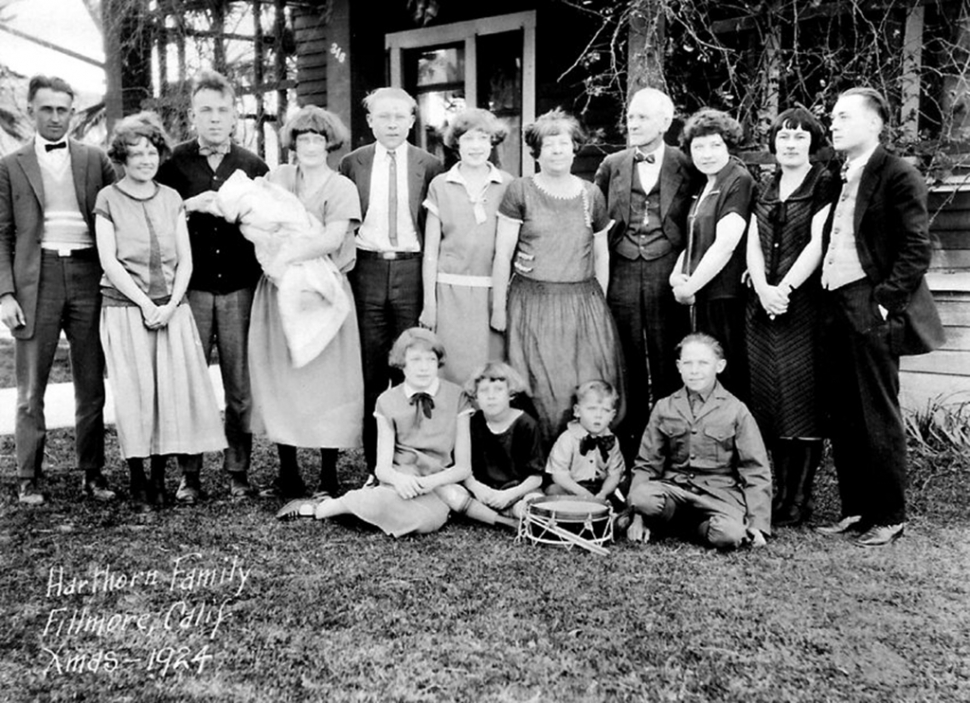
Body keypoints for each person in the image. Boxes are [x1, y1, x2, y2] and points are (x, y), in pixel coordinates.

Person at [816, 87, 944, 547]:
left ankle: (889, 515)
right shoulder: (838, 174)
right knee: (845, 413)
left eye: (844, 117)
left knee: (878, 412)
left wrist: (885, 301)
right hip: (834, 305)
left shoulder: (898, 174)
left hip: (872, 307)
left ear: (874, 124)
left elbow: (916, 248)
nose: (834, 124)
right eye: (832, 117)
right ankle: (856, 510)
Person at [95, 112, 227, 511]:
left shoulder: (170, 198)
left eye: (151, 152)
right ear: (122, 157)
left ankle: (159, 477)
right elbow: (109, 261)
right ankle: (138, 479)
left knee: (167, 392)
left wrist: (169, 306)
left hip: (172, 311)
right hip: (126, 310)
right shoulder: (108, 199)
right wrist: (145, 304)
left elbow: (186, 260)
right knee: (136, 394)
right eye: (135, 154)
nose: (144, 160)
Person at [0, 75, 117, 505]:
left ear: (72, 112)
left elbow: (115, 214)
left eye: (62, 109)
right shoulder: (10, 165)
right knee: (31, 387)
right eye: (46, 108)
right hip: (38, 278)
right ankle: (29, 475)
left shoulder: (95, 159)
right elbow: (2, 233)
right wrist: (5, 293)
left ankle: (93, 472)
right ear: (31, 110)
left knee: (92, 383)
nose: (54, 117)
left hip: (89, 274)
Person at [278, 328, 517, 533]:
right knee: (389, 499)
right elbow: (383, 468)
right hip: (400, 483)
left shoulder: (457, 397)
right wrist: (399, 480)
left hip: (438, 483)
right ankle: (325, 508)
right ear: (402, 363)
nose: (424, 368)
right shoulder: (387, 401)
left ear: (439, 362)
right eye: (416, 360)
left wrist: (432, 482)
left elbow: (463, 467)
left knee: (426, 520)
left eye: (430, 360)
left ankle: (357, 509)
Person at [155, 69, 268, 502]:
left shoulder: (254, 166)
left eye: (223, 111)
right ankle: (191, 473)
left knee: (240, 386)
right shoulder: (174, 163)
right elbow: (158, 219)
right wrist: (188, 206)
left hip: (240, 289)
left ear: (235, 116)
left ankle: (238, 471)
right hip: (193, 290)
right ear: (192, 116)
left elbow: (269, 225)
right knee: (192, 383)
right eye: (206, 111)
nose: (215, 119)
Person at [247, 106, 364, 499]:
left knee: (327, 381)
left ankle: (329, 472)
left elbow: (332, 239)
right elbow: (254, 217)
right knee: (284, 378)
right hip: (279, 290)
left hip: (323, 291)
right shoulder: (278, 177)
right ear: (293, 143)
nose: (311, 145)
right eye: (303, 138)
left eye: (318, 138)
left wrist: (287, 253)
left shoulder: (341, 187)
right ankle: (288, 469)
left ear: (330, 143)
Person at [492, 108, 625, 446]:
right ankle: (543, 467)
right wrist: (497, 307)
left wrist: (600, 304)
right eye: (549, 145)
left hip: (583, 304)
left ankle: (587, 463)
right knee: (538, 387)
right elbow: (503, 254)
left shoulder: (590, 194)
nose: (557, 151)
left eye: (564, 143)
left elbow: (601, 254)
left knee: (585, 381)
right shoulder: (520, 191)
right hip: (532, 303)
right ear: (536, 152)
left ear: (575, 147)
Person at [339, 87, 444, 473]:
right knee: (370, 372)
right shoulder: (353, 163)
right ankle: (375, 466)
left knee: (413, 366)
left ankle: (414, 460)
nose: (393, 124)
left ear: (413, 121)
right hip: (366, 270)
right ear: (370, 121)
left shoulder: (430, 165)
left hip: (411, 270)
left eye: (401, 117)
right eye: (384, 116)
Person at [593, 87, 694, 460]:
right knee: (627, 357)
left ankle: (669, 441)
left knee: (669, 354)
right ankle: (629, 443)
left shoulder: (686, 163)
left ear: (665, 123)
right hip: (621, 266)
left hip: (667, 267)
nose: (633, 124)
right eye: (631, 117)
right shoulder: (612, 165)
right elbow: (596, 223)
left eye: (643, 117)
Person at [746, 107, 835, 527]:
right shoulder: (764, 185)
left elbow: (819, 242)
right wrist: (763, 287)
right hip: (761, 305)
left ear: (813, 144)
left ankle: (801, 497)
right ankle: (779, 493)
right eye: (784, 137)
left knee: (802, 399)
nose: (791, 144)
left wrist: (784, 289)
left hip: (802, 305)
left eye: (800, 137)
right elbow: (752, 239)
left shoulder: (824, 183)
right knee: (770, 399)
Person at [627, 333, 772, 550]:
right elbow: (647, 464)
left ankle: (693, 527)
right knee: (641, 497)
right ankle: (672, 519)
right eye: (688, 363)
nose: (694, 371)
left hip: (717, 495)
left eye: (703, 363)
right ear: (679, 366)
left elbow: (755, 470)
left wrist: (757, 524)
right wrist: (638, 518)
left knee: (729, 536)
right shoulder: (664, 407)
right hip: (674, 490)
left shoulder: (736, 410)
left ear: (720, 366)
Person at [419, 109, 512, 384]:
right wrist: (429, 304)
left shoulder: (507, 184)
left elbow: (507, 251)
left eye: (483, 138)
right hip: (449, 294)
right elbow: (431, 252)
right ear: (456, 143)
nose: (476, 146)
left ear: (492, 143)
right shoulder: (440, 185)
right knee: (451, 373)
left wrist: (500, 306)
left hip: (490, 294)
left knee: (489, 372)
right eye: (468, 139)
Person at [670, 109, 754, 397]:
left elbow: (726, 243)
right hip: (699, 296)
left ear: (728, 145)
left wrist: (690, 287)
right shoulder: (703, 184)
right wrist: (676, 278)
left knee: (726, 374)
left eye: (715, 145)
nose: (707, 154)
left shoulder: (738, 180)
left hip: (724, 296)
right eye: (699, 147)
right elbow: (692, 241)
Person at [463, 361, 544, 519]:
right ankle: (500, 512)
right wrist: (477, 488)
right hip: (483, 492)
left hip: (518, 491)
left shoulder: (527, 424)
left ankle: (513, 510)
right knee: (453, 492)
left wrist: (508, 496)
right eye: (484, 391)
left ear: (510, 394)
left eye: (499, 390)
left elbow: (536, 477)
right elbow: (463, 468)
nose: (491, 396)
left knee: (535, 503)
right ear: (476, 396)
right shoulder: (472, 423)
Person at [545, 380, 626, 506]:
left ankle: (613, 518)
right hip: (573, 488)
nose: (598, 415)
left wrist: (603, 493)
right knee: (553, 490)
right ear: (577, 411)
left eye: (605, 410)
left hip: (600, 488)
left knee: (624, 486)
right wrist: (582, 493)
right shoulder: (567, 439)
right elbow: (559, 475)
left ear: (612, 415)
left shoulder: (611, 440)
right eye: (592, 409)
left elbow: (614, 474)